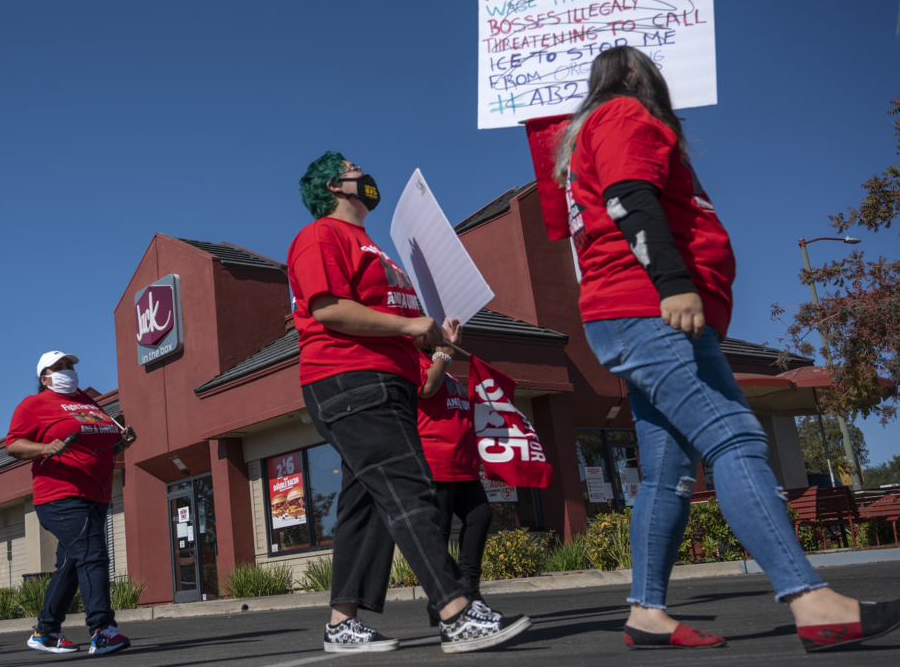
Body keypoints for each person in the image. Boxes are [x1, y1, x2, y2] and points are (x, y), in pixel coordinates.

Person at [552, 45, 899, 652]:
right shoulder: (625, 116)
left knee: (665, 471)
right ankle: (809, 599)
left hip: (635, 312)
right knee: (735, 437)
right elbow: (629, 197)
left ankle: (647, 612)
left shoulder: (601, 126)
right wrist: (675, 282)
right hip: (651, 309)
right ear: (637, 77)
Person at [288, 152, 529, 654]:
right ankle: (455, 610)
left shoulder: (373, 246)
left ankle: (342, 624)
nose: (365, 174)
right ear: (333, 186)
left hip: (384, 381)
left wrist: (431, 337)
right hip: (349, 378)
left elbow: (392, 317)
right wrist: (407, 325)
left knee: (367, 506)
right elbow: (327, 307)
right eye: (354, 168)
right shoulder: (320, 236)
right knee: (409, 490)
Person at [5, 351, 136, 657]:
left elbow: (101, 443)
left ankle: (46, 632)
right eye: (59, 367)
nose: (68, 370)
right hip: (60, 495)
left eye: (70, 366)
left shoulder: (89, 404)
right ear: (44, 377)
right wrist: (43, 447)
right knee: (92, 553)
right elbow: (12, 445)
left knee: (71, 565)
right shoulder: (33, 404)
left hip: (96, 495)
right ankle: (102, 630)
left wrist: (121, 442)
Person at [415, 331, 530, 642]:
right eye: (426, 331)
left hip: (463, 465)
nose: (430, 334)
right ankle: (448, 599)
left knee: (480, 516)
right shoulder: (416, 362)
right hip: (434, 463)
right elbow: (427, 389)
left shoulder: (443, 366)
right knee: (436, 534)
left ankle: (468, 591)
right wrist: (443, 353)